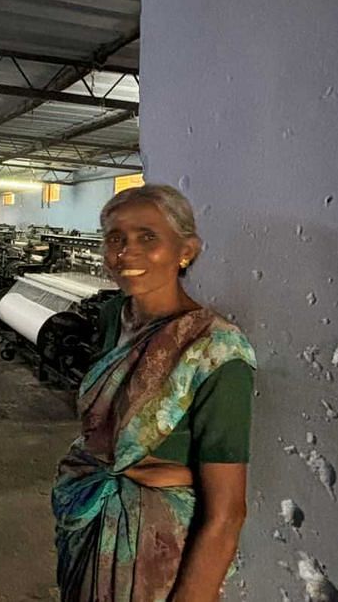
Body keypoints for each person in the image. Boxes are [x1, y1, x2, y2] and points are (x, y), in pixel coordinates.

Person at [52, 184, 256, 601]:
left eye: (148, 237)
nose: (126, 252)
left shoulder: (214, 349)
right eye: (115, 238)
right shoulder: (114, 317)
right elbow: (105, 431)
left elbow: (226, 515)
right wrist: (128, 465)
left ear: (187, 250)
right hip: (90, 523)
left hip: (161, 553)